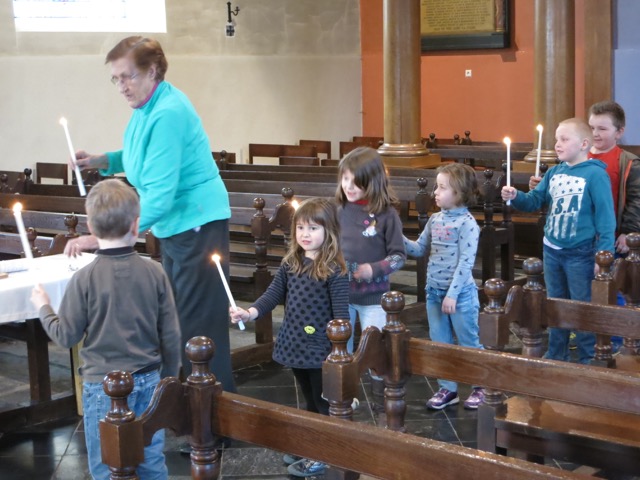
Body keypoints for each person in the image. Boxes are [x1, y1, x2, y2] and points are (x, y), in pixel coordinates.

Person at [66, 36, 235, 392]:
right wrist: (102, 160)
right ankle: (189, 404)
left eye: (128, 76)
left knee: (199, 325)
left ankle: (213, 411)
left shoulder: (168, 112)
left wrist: (104, 238)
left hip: (197, 224)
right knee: (179, 320)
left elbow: (160, 195)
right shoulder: (147, 108)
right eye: (116, 78)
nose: (122, 87)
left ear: (153, 71)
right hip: (177, 227)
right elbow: (138, 156)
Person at [30, 179, 181, 480]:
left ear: (90, 227)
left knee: (106, 465)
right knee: (151, 461)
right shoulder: (155, 271)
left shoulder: (83, 279)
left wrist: (43, 307)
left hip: (103, 387)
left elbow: (66, 336)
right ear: (136, 225)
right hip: (149, 379)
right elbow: (171, 333)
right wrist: (169, 382)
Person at [230, 198, 349, 478]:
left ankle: (325, 453)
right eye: (301, 228)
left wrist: (338, 352)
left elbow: (341, 318)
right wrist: (250, 312)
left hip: (321, 349)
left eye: (313, 228)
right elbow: (272, 295)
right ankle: (311, 444)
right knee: (309, 400)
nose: (305, 234)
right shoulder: (291, 263)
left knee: (323, 403)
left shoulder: (334, 270)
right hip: (295, 343)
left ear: (329, 231)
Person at [502, 118, 615, 364]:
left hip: (580, 252)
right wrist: (516, 195)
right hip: (552, 250)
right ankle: (556, 353)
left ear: (584, 144)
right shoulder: (554, 172)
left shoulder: (596, 174)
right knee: (553, 303)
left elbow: (606, 218)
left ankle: (587, 356)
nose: (557, 144)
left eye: (564, 139)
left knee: (580, 306)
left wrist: (604, 254)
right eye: (556, 139)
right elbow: (534, 201)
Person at [404, 163, 484, 410]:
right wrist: (397, 235)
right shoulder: (435, 219)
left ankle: (481, 386)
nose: (435, 192)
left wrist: (452, 295)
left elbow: (465, 263)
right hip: (434, 293)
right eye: (436, 187)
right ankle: (448, 389)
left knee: (469, 342)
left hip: (460, 296)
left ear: (459, 193)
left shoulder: (467, 224)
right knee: (440, 343)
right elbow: (419, 249)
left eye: (441, 188)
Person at [335, 146, 406, 409]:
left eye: (356, 182)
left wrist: (373, 269)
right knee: (340, 347)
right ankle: (345, 394)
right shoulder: (338, 210)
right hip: (341, 293)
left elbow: (398, 256)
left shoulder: (387, 215)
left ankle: (382, 399)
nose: (348, 186)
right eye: (345, 179)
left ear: (372, 182)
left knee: (375, 347)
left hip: (374, 297)